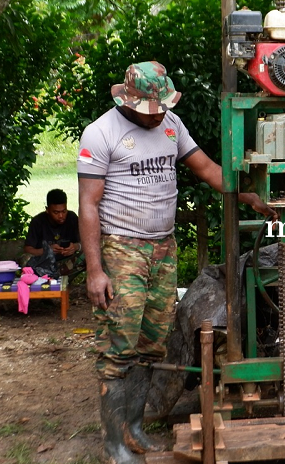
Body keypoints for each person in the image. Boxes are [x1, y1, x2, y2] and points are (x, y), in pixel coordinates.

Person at [77, 61, 274, 463]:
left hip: (162, 250)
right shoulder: (101, 133)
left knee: (151, 344)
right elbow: (88, 205)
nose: (158, 115)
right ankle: (114, 444)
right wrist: (95, 270)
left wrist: (245, 195)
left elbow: (205, 169)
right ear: (128, 102)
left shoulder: (171, 125)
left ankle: (134, 428)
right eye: (151, 109)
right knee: (119, 347)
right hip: (121, 250)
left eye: (163, 107)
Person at [22, 188, 83, 277]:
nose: (61, 216)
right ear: (47, 210)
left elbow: (86, 242)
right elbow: (27, 249)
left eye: (64, 211)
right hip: (44, 263)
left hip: (67, 263)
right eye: (56, 212)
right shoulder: (38, 222)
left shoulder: (72, 218)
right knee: (25, 259)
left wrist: (76, 247)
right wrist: (47, 251)